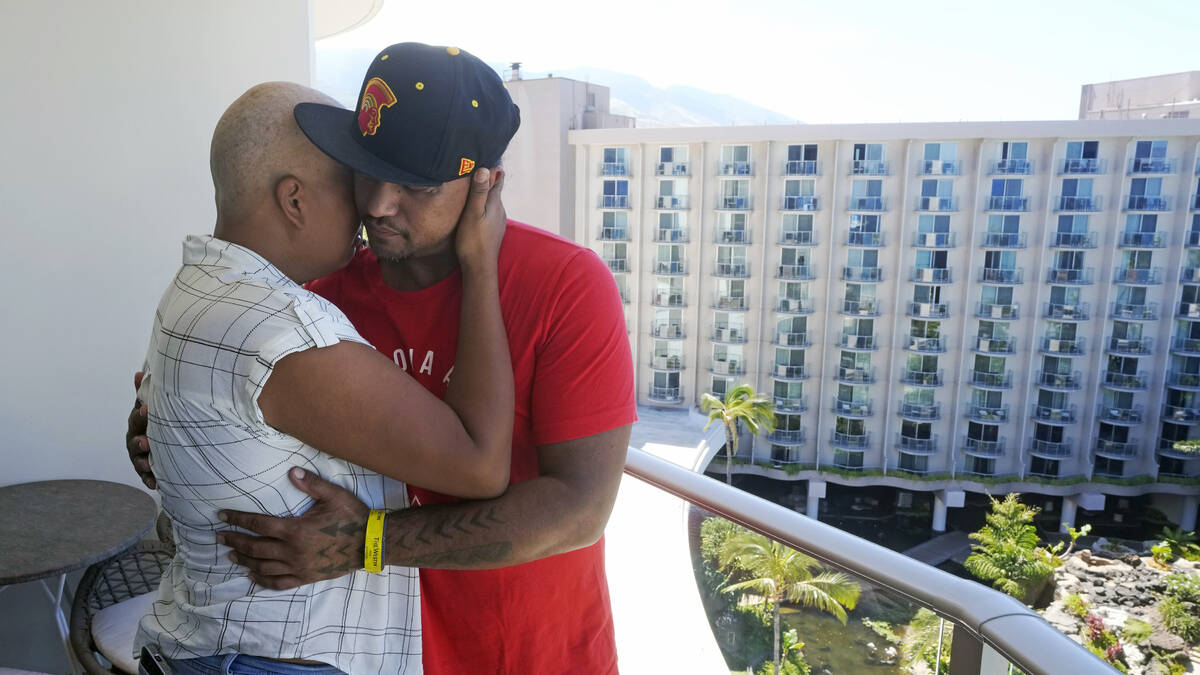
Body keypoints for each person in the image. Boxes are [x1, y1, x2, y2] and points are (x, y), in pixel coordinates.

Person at [128, 42, 636, 674]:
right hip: (369, 652)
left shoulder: (564, 284)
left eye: (416, 185)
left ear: (485, 182)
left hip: (520, 651)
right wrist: (176, 433)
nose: (378, 204)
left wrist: (370, 542)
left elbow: (580, 510)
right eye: (367, 170)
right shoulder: (322, 294)